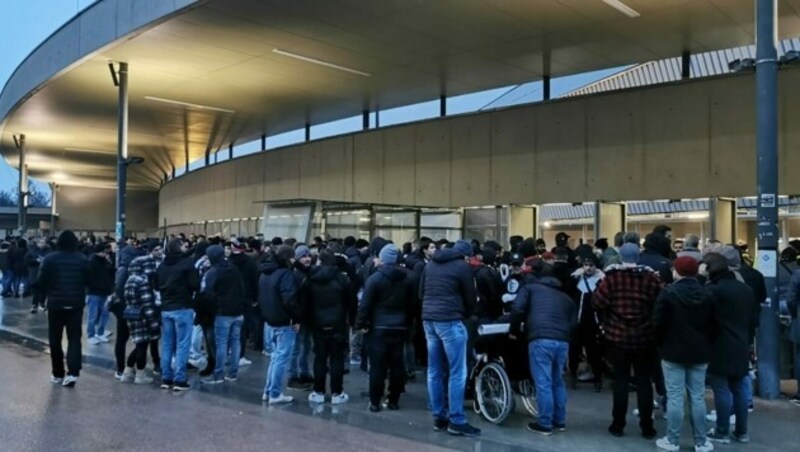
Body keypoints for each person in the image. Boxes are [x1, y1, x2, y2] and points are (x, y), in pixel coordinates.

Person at [593, 243, 662, 439]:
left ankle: (618, 424)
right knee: (644, 382)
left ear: (621, 257)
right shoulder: (650, 278)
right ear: (638, 256)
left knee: (621, 382)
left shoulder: (612, 279)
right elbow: (661, 301)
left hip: (617, 337)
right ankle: (647, 427)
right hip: (644, 337)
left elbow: (598, 302)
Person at [652, 256, 717, 452]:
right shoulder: (707, 294)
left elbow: (657, 324)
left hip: (672, 352)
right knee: (697, 397)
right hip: (699, 352)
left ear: (677, 272)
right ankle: (701, 441)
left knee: (674, 397)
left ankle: (672, 440)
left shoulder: (668, 294)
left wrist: (661, 344)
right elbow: (714, 325)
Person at [420, 239, 481, 437]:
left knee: (434, 370)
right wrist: (468, 314)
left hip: (429, 319)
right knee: (457, 372)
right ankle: (457, 419)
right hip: (450, 320)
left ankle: (439, 416)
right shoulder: (462, 267)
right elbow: (470, 296)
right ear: (465, 255)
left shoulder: (430, 264)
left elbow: (421, 292)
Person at [510, 261, 577, 436]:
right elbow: (574, 322)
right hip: (562, 342)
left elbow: (517, 309)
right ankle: (559, 420)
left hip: (540, 339)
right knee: (558, 381)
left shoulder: (530, 289)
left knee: (543, 383)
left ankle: (545, 423)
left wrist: (514, 331)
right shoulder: (565, 297)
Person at [704, 253, 760, 445]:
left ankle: (722, 430)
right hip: (741, 343)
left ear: (709, 269)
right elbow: (754, 320)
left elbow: (707, 320)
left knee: (721, 389)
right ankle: (742, 431)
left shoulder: (712, 290)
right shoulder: (745, 290)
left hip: (719, 345)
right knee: (739, 389)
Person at [356, 244, 415, 411]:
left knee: (377, 366)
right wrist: (408, 323)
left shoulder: (374, 279)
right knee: (397, 364)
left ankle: (375, 401)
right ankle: (393, 400)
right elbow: (413, 304)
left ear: (382, 259)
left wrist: (360, 324)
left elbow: (365, 305)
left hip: (378, 327)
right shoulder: (408, 278)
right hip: (400, 326)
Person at [33, 230, 89, 387]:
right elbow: (88, 279)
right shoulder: (82, 259)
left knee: (55, 339)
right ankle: (73, 372)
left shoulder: (50, 259)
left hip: (55, 303)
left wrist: (40, 294)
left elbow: (41, 281)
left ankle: (57, 372)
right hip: (76, 303)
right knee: (74, 338)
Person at [301, 249, 355, 405]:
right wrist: (351, 321)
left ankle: (318, 391)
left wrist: (306, 322)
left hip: (317, 324)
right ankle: (337, 393)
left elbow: (305, 304)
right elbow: (350, 304)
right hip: (338, 324)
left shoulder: (310, 279)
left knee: (319, 358)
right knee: (337, 359)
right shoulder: (343, 280)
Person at [155, 238, 198, 391]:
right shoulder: (187, 264)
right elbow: (195, 285)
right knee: (183, 344)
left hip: (166, 308)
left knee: (167, 344)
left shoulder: (162, 266)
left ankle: (166, 378)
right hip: (183, 307)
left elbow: (156, 284)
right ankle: (180, 379)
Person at [259, 245, 300, 404]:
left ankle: (268, 391)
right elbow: (289, 299)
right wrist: (296, 319)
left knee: (275, 358)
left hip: (270, 320)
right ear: (289, 258)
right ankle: (275, 393)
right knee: (282, 358)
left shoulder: (264, 273)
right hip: (284, 322)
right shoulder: (285, 274)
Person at [200, 244, 246, 385]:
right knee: (235, 342)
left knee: (221, 344)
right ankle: (233, 373)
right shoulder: (234, 268)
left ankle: (218, 374)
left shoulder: (213, 272)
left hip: (222, 313)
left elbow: (208, 293)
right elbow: (242, 288)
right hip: (238, 312)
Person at [569, 255, 605, 392]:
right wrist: (573, 278)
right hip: (577, 322)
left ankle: (598, 378)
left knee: (594, 353)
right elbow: (568, 291)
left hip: (593, 323)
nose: (588, 268)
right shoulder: (576, 279)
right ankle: (573, 374)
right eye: (586, 265)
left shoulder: (601, 280)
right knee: (574, 351)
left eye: (591, 265)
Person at [123, 255, 160, 385]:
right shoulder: (143, 282)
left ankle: (127, 371)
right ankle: (140, 374)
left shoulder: (129, 280)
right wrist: (153, 322)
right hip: (143, 317)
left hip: (132, 316)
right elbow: (147, 304)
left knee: (139, 344)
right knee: (143, 346)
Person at [288, 245, 314, 390]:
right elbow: (293, 299)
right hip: (300, 317)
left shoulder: (307, 273)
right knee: (296, 347)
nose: (307, 259)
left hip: (307, 316)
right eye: (304, 256)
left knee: (306, 346)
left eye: (308, 255)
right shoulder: (296, 275)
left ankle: (303, 372)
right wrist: (295, 318)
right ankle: (293, 376)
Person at [86, 243, 115, 344]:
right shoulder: (92, 262)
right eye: (105, 251)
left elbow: (111, 273)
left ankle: (100, 332)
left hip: (104, 291)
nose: (106, 253)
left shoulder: (105, 261)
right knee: (92, 314)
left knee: (104, 313)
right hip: (94, 291)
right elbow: (89, 277)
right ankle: (91, 334)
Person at [26, 238, 49, 313]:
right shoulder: (32, 251)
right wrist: (36, 260)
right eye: (40, 243)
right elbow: (26, 260)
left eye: (43, 243)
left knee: (43, 290)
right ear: (37, 243)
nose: (42, 244)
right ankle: (34, 305)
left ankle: (42, 304)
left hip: (45, 273)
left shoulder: (49, 251)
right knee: (35, 290)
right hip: (35, 273)